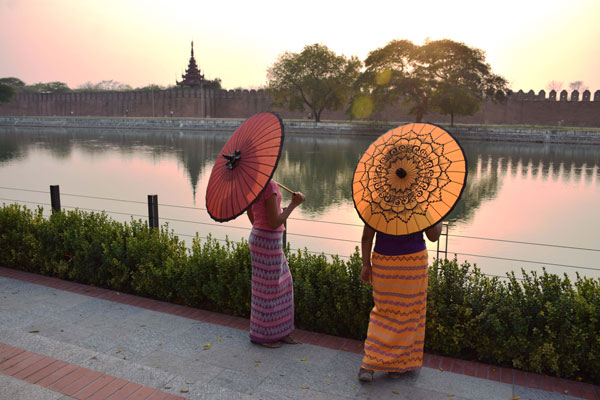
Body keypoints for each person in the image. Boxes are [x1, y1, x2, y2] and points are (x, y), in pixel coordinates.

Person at [357, 222, 443, 382]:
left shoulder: (378, 201)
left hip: (384, 262)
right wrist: (440, 220)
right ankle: (397, 365)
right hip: (413, 262)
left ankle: (369, 364)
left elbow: (366, 237)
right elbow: (434, 236)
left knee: (382, 312)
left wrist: (365, 265)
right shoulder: (419, 203)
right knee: (408, 313)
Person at [246, 179, 305, 348]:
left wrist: (259, 226)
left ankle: (281, 331)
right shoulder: (269, 185)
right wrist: (294, 204)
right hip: (268, 241)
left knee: (281, 285)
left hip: (259, 237)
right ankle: (264, 335)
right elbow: (273, 222)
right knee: (269, 291)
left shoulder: (255, 184)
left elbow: (250, 212)